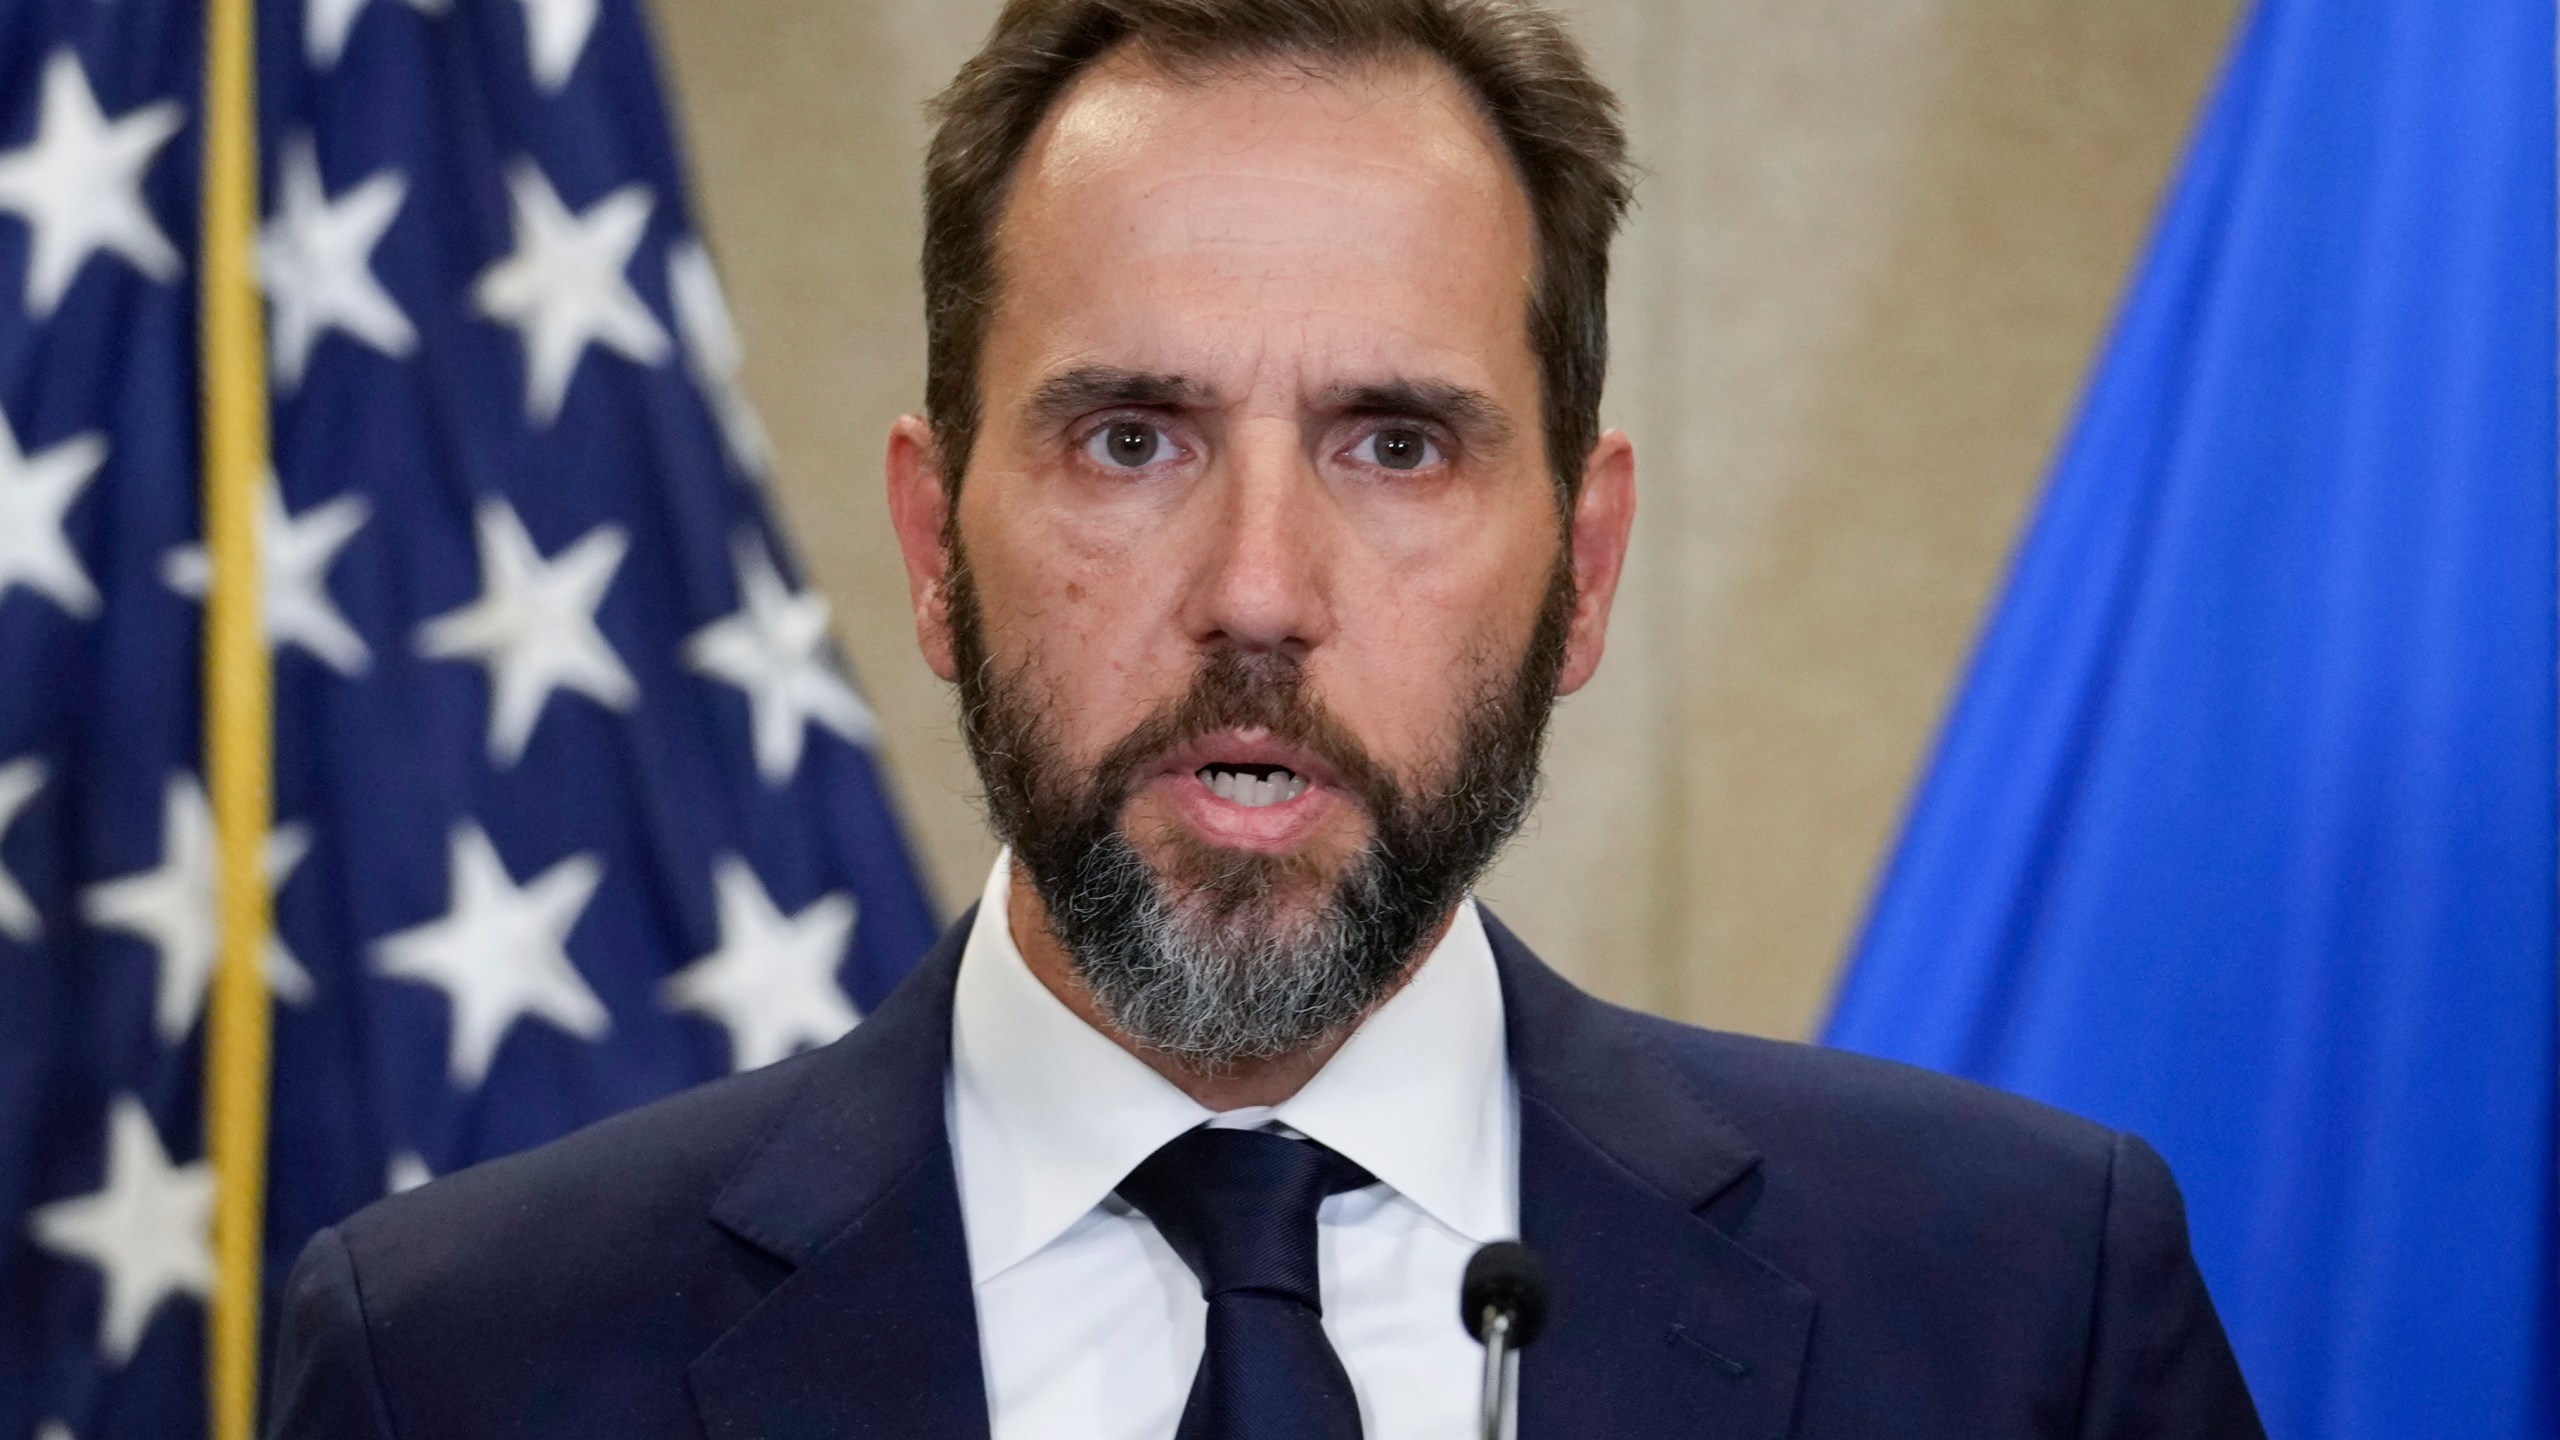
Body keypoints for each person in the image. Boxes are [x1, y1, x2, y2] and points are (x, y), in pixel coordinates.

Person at [266, 0, 2265, 1435]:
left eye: (1393, 445)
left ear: (1579, 567)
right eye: (1128, 438)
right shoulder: (459, 1362)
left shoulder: (2015, 1309)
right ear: (930, 538)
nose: (1255, 590)